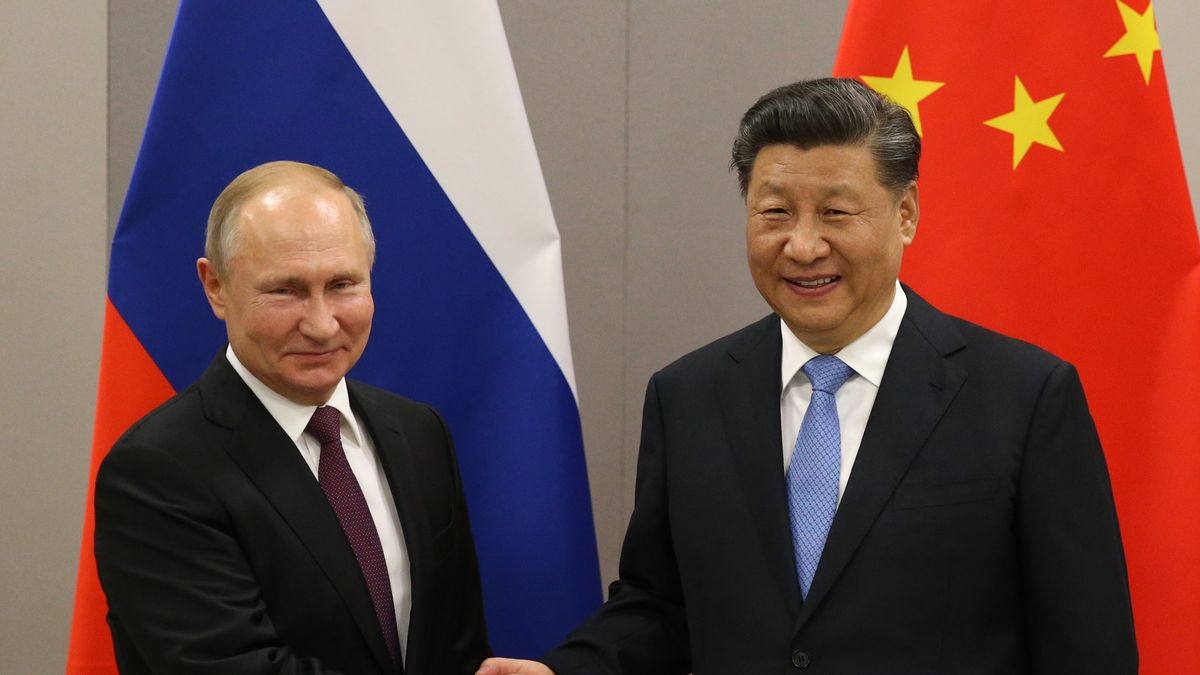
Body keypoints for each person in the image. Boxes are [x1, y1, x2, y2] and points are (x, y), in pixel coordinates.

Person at [478, 78, 1136, 674]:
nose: (802, 245)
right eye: (775, 212)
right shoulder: (688, 396)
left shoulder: (1023, 396)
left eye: (835, 212)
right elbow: (661, 604)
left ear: (905, 213)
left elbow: (1086, 645)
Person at [95, 161, 490, 674]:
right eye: (286, 290)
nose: (323, 325)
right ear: (215, 286)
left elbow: (455, 646)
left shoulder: (417, 432)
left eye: (343, 284)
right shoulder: (158, 470)